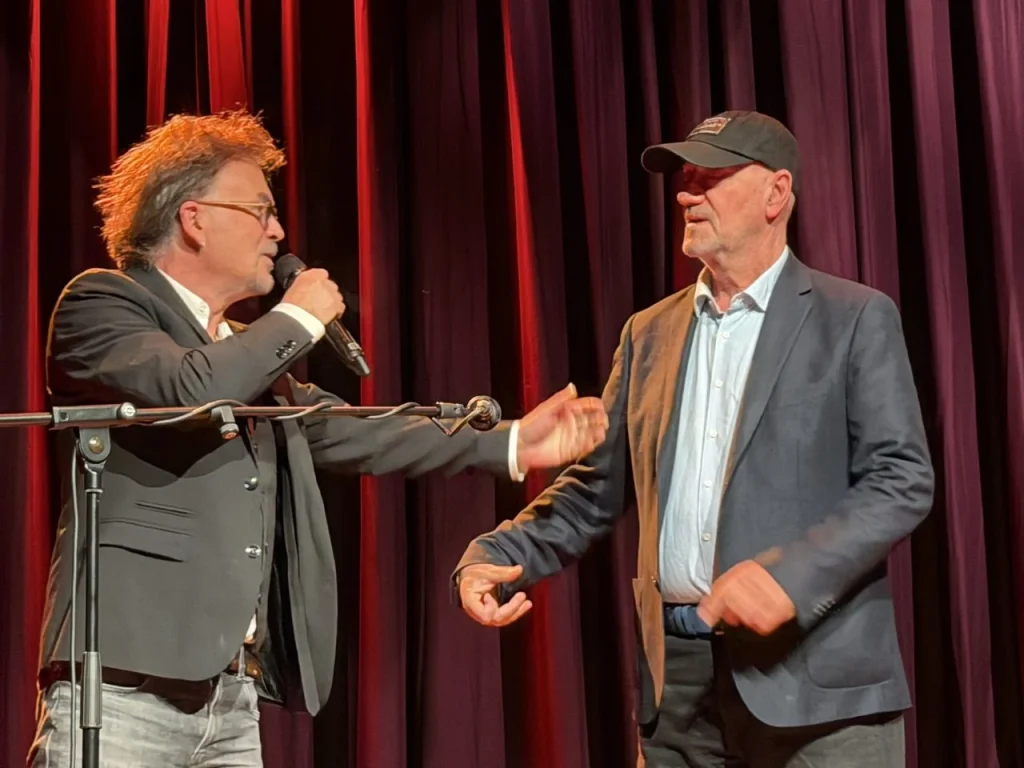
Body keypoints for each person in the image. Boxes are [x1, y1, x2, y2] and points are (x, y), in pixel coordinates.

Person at [28, 110, 609, 767]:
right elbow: (187, 392)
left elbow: (347, 428)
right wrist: (297, 316)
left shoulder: (244, 353)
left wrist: (510, 442)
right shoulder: (102, 304)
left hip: (229, 697)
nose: (277, 232)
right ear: (194, 219)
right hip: (121, 690)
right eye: (261, 211)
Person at [454, 110, 934, 767]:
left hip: (817, 687)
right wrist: (498, 551)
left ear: (776, 193)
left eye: (713, 177)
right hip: (679, 690)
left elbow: (901, 479)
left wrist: (789, 577)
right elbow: (595, 490)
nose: (687, 195)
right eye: (685, 179)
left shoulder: (853, 318)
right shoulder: (647, 333)